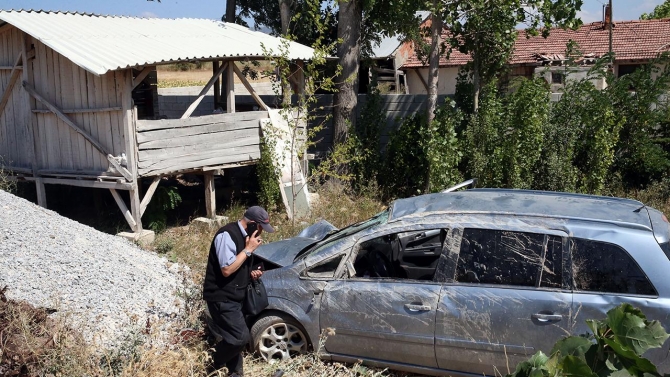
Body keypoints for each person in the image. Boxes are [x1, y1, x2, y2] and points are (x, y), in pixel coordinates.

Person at [203, 206, 275, 376]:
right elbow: (226, 269)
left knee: (233, 337)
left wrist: (251, 272)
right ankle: (213, 363)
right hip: (221, 297)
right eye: (260, 228)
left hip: (236, 297)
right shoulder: (227, 235)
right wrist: (248, 249)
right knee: (239, 338)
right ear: (251, 224)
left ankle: (235, 373)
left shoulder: (246, 238)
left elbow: (238, 264)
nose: (261, 233)